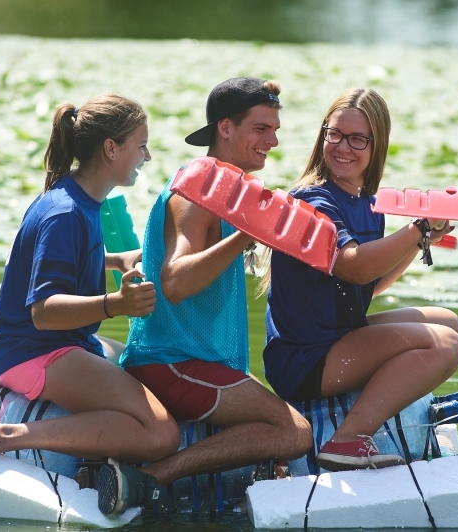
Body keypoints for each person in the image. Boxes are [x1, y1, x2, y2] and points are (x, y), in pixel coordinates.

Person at [0, 94, 178, 515]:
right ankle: (2, 436)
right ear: (111, 149)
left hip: (42, 345)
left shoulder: (77, 197)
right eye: (140, 145)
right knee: (161, 433)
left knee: (128, 356)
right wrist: (116, 303)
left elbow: (58, 262)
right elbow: (44, 308)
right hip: (33, 351)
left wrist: (115, 259)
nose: (146, 155)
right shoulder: (65, 212)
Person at [115, 77, 312, 511]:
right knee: (295, 432)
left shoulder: (225, 187)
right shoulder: (201, 189)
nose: (274, 141)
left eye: (276, 129)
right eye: (261, 128)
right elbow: (174, 281)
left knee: (284, 428)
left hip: (200, 363)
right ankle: (147, 479)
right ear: (225, 127)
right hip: (171, 360)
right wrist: (247, 235)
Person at [262, 88, 458, 472]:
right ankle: (347, 440)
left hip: (337, 338)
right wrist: (416, 227)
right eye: (334, 134)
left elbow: (370, 283)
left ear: (377, 145)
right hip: (304, 359)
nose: (342, 147)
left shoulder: (367, 202)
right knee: (446, 347)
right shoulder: (310, 201)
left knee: (449, 322)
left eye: (357, 139)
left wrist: (419, 238)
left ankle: (370, 416)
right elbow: (353, 266)